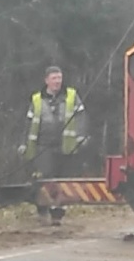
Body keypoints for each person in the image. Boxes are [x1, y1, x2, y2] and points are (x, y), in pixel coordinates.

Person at [21, 66, 88, 226]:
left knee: (64, 180)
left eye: (59, 78)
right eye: (54, 78)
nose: (57, 81)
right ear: (47, 81)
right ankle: (42, 210)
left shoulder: (72, 96)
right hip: (43, 146)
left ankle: (58, 214)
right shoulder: (37, 99)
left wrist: (81, 136)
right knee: (44, 178)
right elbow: (28, 123)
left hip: (66, 146)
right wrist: (23, 143)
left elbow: (81, 118)